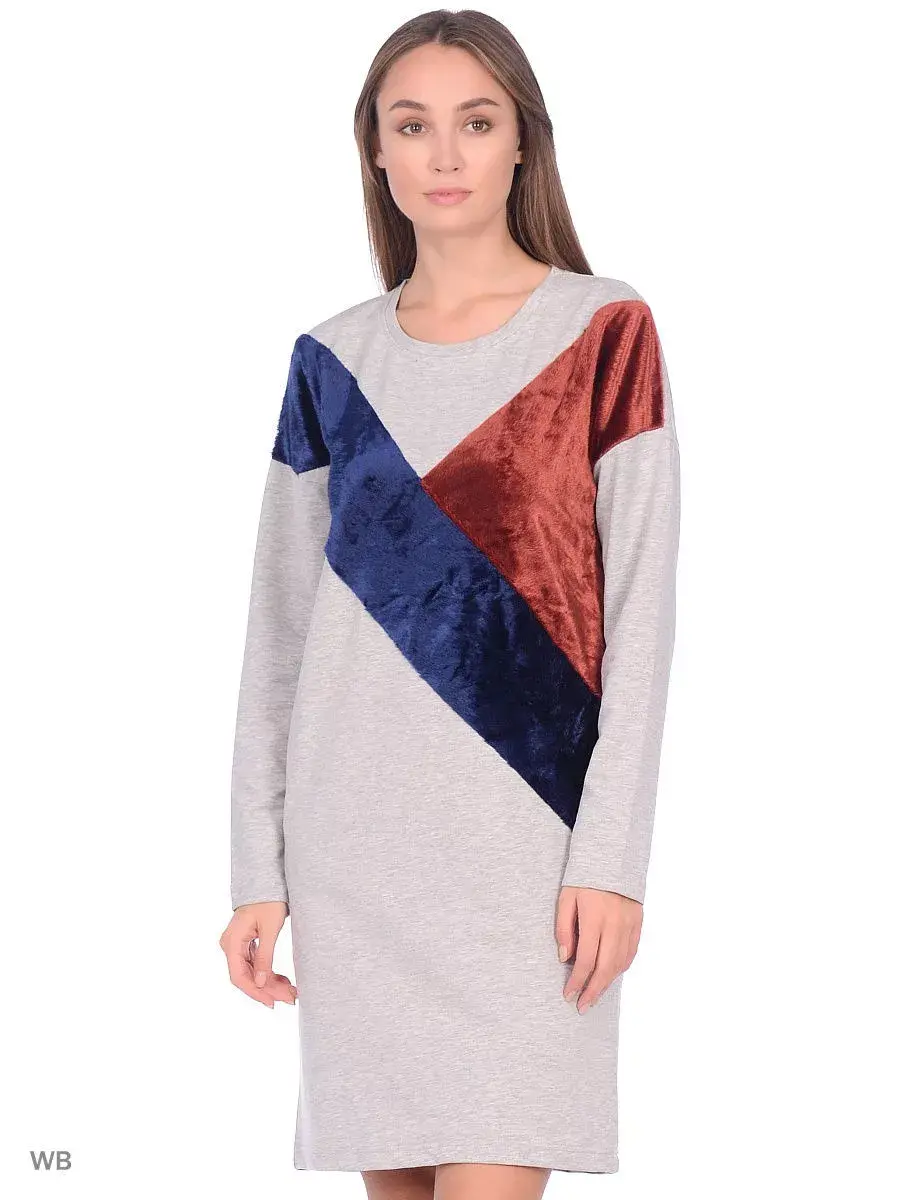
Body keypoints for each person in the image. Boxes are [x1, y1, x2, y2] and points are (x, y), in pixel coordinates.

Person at [219, 10, 681, 1200]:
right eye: (411, 125)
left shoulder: (604, 331)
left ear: (523, 140)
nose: (444, 154)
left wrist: (613, 861)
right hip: (356, 859)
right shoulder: (331, 361)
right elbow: (279, 638)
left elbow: (641, 620)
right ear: (374, 149)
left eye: (476, 123)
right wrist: (257, 873)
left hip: (528, 864)